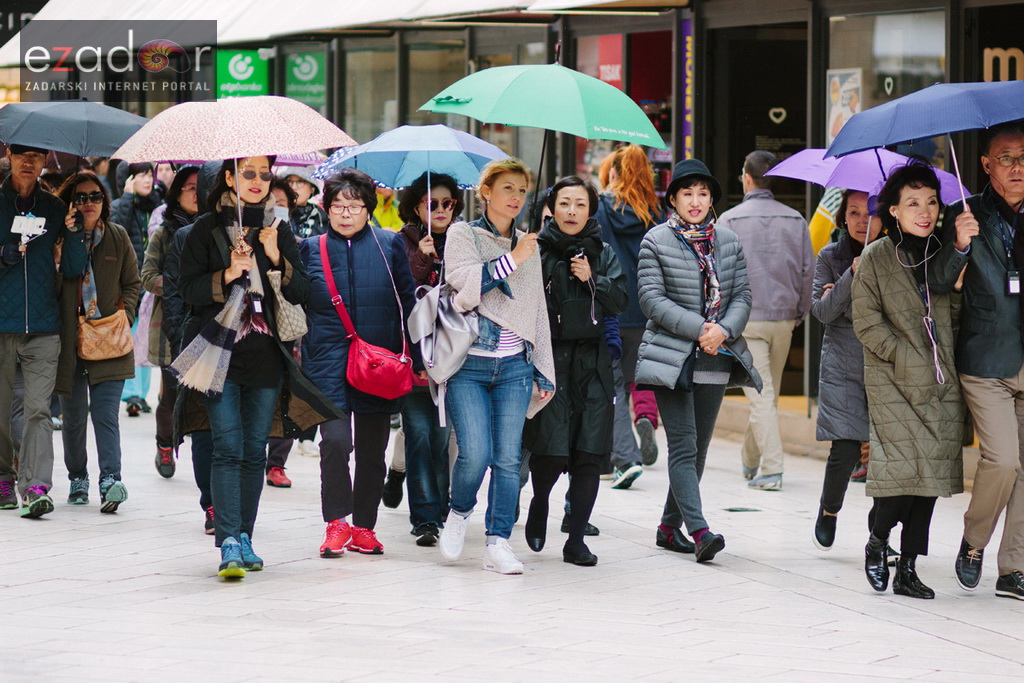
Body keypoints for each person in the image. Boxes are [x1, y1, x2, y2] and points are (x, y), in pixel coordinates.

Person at [176, 156, 337, 579]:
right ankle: (228, 539)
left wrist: (275, 257)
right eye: (248, 173)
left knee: (253, 451)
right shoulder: (204, 229)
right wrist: (229, 272)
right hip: (219, 354)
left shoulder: (278, 230)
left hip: (266, 356)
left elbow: (303, 292)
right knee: (227, 447)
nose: (258, 181)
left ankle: (245, 536)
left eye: (265, 174)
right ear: (230, 177)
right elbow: (186, 290)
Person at [636, 159, 760, 563]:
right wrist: (701, 328)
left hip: (715, 355)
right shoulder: (655, 241)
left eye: (703, 193)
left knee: (699, 449)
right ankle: (700, 531)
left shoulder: (729, 241)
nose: (695, 201)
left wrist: (723, 330)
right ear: (673, 199)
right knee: (684, 445)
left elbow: (742, 295)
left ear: (711, 199)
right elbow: (651, 299)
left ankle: (668, 527)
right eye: (687, 193)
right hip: (671, 356)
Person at [437, 158, 555, 575]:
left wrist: (542, 367)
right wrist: (512, 258)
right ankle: (458, 511)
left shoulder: (528, 244)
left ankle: (498, 542)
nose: (516, 198)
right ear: (485, 192)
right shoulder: (462, 234)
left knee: (507, 460)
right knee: (474, 454)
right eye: (507, 188)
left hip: (515, 367)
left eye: (522, 190)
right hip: (469, 364)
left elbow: (536, 309)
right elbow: (464, 286)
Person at [852, 160, 964, 599]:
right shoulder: (876, 256)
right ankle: (878, 540)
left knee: (929, 480)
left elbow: (955, 321)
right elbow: (866, 322)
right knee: (900, 476)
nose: (925, 211)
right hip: (893, 382)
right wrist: (902, 356)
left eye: (931, 202)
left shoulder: (945, 254)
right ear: (894, 210)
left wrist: (958, 287)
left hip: (939, 382)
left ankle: (909, 568)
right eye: (913, 202)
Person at [300, 168, 421, 558]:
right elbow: (295, 300)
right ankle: (336, 523)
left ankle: (364, 527)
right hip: (327, 361)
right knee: (335, 443)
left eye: (354, 206)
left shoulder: (389, 245)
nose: (346, 214)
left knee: (372, 450)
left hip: (377, 362)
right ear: (327, 209)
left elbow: (408, 301)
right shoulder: (311, 248)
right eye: (337, 206)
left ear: (369, 209)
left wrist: (416, 355)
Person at [933, 119, 1024, 600]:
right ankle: (973, 542)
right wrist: (959, 245)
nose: (1017, 167)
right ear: (987, 165)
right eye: (1006, 159)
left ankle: (1014, 568)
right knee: (1003, 460)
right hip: (987, 357)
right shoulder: (963, 214)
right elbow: (939, 282)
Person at [521, 176, 627, 566]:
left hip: (592, 366)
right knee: (549, 452)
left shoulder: (603, 252)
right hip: (550, 362)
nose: (571, 211)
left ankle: (576, 539)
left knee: (588, 455)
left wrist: (592, 279)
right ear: (553, 207)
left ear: (590, 210)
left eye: (580, 204)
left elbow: (621, 301)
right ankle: (539, 502)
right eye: (564, 203)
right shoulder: (535, 249)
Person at [716, 150, 813, 491]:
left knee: (761, 395)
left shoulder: (728, 220)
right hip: (785, 318)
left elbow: (719, 277)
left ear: (746, 178)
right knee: (765, 394)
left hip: (745, 320)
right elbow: (808, 273)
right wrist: (800, 311)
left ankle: (771, 469)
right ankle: (750, 458)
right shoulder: (796, 220)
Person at [0, 144, 88, 517]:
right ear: (9, 154)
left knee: (38, 410)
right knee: (2, 410)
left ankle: (36, 486)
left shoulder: (54, 208)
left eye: (36, 155)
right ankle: (3, 478)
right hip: (2, 325)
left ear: (44, 161)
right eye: (21, 153)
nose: (28, 161)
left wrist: (75, 233)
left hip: (43, 326)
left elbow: (73, 269)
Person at [55, 171, 141, 512]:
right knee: (74, 417)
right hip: (68, 341)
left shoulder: (117, 236)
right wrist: (63, 250)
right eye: (80, 197)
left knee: (105, 414)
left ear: (104, 201)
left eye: (95, 196)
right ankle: (78, 478)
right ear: (69, 203)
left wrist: (125, 316)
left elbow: (133, 282)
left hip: (110, 340)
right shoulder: (58, 237)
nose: (88, 203)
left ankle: (111, 480)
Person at [811, 190, 883, 550]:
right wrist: (849, 276)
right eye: (854, 213)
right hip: (842, 363)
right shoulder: (830, 256)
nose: (861, 221)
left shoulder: (895, 256)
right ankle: (829, 510)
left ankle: (879, 532)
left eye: (869, 213)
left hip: (884, 363)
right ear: (843, 216)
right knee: (845, 448)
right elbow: (822, 312)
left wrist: (840, 300)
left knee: (885, 452)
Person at [394, 171, 463, 546]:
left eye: (447, 203)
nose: (441, 209)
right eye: (432, 203)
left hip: (453, 360)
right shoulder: (401, 242)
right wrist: (421, 260)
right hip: (415, 356)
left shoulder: (463, 240)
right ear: (416, 207)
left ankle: (441, 509)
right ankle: (424, 518)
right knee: (419, 435)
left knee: (441, 439)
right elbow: (401, 297)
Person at [596, 145, 665, 488]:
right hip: (646, 312)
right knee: (635, 380)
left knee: (611, 386)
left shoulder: (598, 208)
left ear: (613, 173)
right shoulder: (657, 214)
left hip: (610, 308)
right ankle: (623, 444)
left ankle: (624, 458)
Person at [162, 161, 219, 534]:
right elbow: (174, 292)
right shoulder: (185, 236)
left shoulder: (260, 231)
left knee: (240, 434)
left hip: (247, 344)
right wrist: (181, 339)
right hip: (199, 342)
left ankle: (235, 504)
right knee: (204, 428)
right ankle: (212, 504)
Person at [141, 165, 199, 480]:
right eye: (190, 188)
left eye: (201, 187)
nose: (196, 193)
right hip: (170, 324)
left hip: (207, 321)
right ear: (177, 193)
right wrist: (179, 284)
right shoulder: (163, 234)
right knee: (172, 392)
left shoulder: (216, 229)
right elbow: (147, 276)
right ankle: (165, 444)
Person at [111, 162, 160, 416]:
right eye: (142, 175)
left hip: (151, 281)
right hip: (128, 283)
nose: (148, 180)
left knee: (144, 338)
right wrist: (127, 198)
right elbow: (116, 230)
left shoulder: (156, 205)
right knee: (130, 336)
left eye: (150, 174)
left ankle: (141, 394)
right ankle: (131, 393)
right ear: (128, 179)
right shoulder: (119, 206)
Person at [282, 167, 329, 239]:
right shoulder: (276, 211)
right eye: (289, 181)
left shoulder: (321, 216)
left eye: (300, 182)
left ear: (312, 189)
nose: (293, 187)